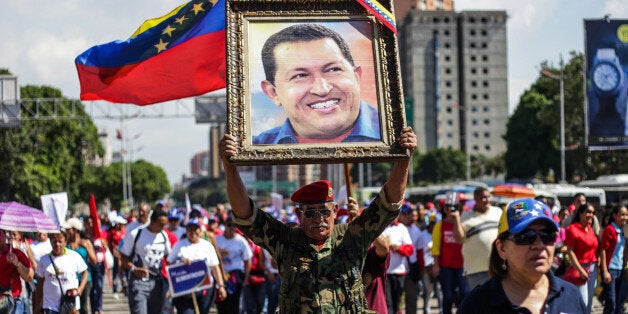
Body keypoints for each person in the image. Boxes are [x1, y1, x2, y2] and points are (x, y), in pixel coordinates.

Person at [220, 126, 417, 312]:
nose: (319, 219)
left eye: (324, 211)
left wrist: (404, 159)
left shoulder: (352, 236)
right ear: (298, 215)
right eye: (310, 213)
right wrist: (229, 167)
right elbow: (246, 215)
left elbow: (387, 203)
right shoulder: (286, 240)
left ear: (335, 211)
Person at [253, 23, 381, 144]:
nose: (322, 89)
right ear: (273, 92)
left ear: (356, 77)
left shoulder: (394, 134)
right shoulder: (252, 148)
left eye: (333, 69)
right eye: (300, 76)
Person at [458, 198, 586, 313]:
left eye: (547, 236)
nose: (539, 245)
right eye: (526, 237)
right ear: (502, 248)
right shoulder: (477, 305)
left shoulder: (571, 295)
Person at [167, 218, 226, 314]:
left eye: (196, 229)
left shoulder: (207, 246)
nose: (193, 232)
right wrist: (180, 262)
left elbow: (215, 267)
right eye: (190, 229)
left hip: (204, 289)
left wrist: (221, 286)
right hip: (184, 290)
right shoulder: (179, 245)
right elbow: (169, 263)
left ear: (200, 230)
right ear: (186, 231)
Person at [120, 208, 172, 314]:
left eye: (165, 225)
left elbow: (169, 259)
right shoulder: (136, 234)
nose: (163, 228)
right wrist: (134, 269)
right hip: (138, 283)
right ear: (152, 222)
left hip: (157, 284)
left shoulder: (163, 236)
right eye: (161, 224)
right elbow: (123, 258)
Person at [453, 187, 502, 289]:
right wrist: (456, 218)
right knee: (480, 302)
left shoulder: (498, 212)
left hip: (497, 267)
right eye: (483, 197)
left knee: (499, 300)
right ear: (475, 199)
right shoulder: (465, 216)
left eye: (488, 197)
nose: (487, 200)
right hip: (475, 270)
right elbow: (459, 240)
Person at [432, 193, 470, 314]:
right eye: (448, 207)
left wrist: (457, 220)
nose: (451, 210)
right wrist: (436, 264)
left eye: (454, 207)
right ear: (444, 209)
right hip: (446, 266)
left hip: (462, 266)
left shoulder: (463, 224)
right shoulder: (440, 225)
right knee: (447, 296)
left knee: (464, 293)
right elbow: (436, 247)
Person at [34, 231, 89, 314]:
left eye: (60, 241)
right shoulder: (44, 260)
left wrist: (80, 289)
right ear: (50, 242)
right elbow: (40, 285)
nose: (57, 244)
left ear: (65, 242)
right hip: (50, 306)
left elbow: (85, 272)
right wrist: (38, 305)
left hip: (70, 304)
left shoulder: (74, 256)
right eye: (54, 241)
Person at [564, 202, 599, 313]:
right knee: (582, 302)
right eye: (588, 212)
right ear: (580, 213)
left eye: (593, 213)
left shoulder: (590, 229)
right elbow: (570, 251)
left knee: (589, 302)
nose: (591, 215)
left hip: (592, 269)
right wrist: (580, 270)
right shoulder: (572, 229)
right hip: (580, 269)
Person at [214, 216, 252, 314]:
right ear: (225, 225)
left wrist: (246, 277)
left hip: (236, 275)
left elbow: (248, 260)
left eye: (234, 225)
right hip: (221, 276)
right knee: (221, 305)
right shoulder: (217, 239)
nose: (231, 227)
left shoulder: (241, 241)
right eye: (229, 224)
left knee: (234, 305)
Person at [65, 218, 97, 314]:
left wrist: (87, 247)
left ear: (75, 230)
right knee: (71, 306)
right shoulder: (65, 244)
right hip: (70, 279)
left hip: (85, 279)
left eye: (68, 229)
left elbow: (94, 261)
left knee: (83, 307)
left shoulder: (86, 242)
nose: (66, 231)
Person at [600, 205, 628, 314]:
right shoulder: (610, 230)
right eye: (622, 215)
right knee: (610, 301)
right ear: (615, 215)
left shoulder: (623, 230)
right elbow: (602, 250)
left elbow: (625, 251)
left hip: (621, 269)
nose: (624, 217)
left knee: (619, 302)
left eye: (626, 215)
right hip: (610, 269)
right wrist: (605, 271)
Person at [0, 228, 34, 314]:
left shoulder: (16, 253)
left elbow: (29, 277)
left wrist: (17, 263)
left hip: (12, 303)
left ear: (5, 234)